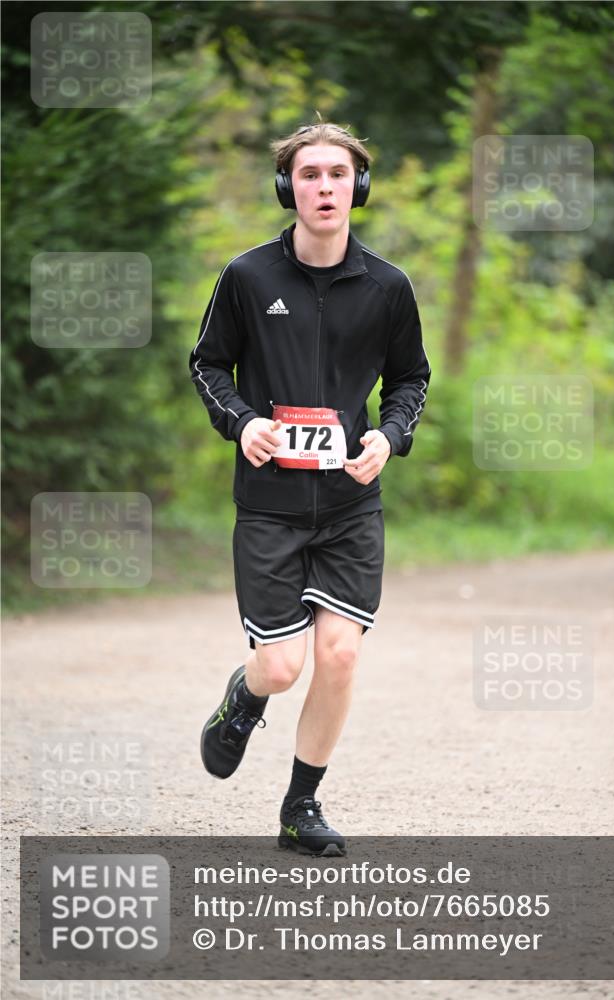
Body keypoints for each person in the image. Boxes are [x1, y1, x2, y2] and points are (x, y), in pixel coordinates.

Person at [189, 121, 430, 857]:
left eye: (337, 174)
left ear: (359, 187)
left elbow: (410, 379)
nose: (324, 187)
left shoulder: (388, 287)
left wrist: (389, 436)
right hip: (270, 506)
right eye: (308, 174)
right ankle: (244, 695)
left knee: (341, 656)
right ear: (285, 188)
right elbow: (208, 365)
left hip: (351, 506)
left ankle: (300, 807)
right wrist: (242, 424)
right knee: (281, 666)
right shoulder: (247, 277)